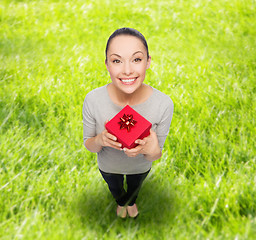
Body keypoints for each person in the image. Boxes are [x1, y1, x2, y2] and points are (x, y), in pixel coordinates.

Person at [83, 27, 174, 218]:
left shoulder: (164, 103)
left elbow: (156, 154)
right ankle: (121, 202)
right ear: (107, 64)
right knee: (114, 187)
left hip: (140, 167)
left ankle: (131, 201)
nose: (127, 70)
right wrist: (100, 140)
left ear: (148, 61)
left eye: (137, 59)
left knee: (135, 186)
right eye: (117, 60)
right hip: (108, 166)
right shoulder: (92, 99)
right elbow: (89, 145)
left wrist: (150, 149)